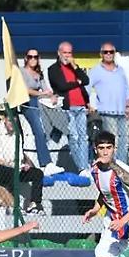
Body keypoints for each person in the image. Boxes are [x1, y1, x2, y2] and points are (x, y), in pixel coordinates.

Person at [0, 113, 46, 216]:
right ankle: (14, 205)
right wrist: (7, 164)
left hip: (14, 167)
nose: (12, 123)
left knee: (37, 173)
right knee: (12, 173)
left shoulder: (17, 135)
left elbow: (19, 157)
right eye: (10, 121)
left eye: (14, 121)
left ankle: (34, 204)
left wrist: (24, 165)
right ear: (5, 120)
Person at [46, 41, 93, 173]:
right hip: (67, 107)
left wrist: (75, 68)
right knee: (73, 137)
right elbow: (62, 86)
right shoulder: (53, 69)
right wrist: (77, 82)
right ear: (59, 53)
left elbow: (86, 80)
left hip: (81, 106)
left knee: (83, 137)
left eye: (69, 53)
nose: (67, 55)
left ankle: (85, 167)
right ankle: (81, 167)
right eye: (65, 52)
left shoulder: (74, 67)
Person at [18, 48, 63, 175]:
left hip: (40, 103)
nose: (33, 59)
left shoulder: (39, 74)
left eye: (35, 57)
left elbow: (46, 89)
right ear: (26, 58)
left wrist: (52, 96)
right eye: (30, 57)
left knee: (59, 124)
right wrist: (41, 94)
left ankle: (46, 151)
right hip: (28, 103)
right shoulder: (21, 71)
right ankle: (46, 163)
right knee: (39, 130)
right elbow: (24, 89)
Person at [87, 42, 129, 163]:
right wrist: (89, 105)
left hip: (122, 113)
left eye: (111, 52)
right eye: (105, 52)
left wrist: (128, 106)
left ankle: (122, 166)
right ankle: (113, 167)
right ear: (101, 54)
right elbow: (86, 89)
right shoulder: (95, 71)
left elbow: (126, 89)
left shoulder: (120, 70)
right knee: (112, 143)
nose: (108, 54)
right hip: (106, 113)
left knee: (124, 142)